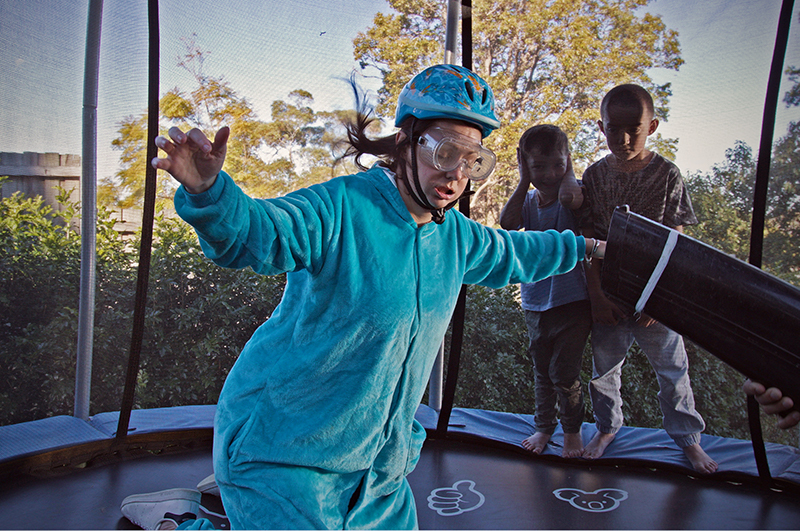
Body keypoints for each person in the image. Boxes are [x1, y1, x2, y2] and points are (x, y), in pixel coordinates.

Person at [119, 64, 606, 530]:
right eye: (444, 152)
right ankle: (181, 518)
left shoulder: (454, 236)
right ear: (405, 141)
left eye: (472, 160)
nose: (456, 174)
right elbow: (262, 232)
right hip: (285, 450)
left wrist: (590, 248)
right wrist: (210, 192)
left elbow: (517, 251)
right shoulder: (342, 209)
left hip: (378, 468)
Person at [579, 83, 718, 475]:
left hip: (657, 297)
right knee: (604, 372)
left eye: (633, 129)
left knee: (673, 371)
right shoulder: (594, 176)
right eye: (612, 128)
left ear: (652, 126)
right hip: (611, 293)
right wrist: (596, 297)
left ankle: (689, 439)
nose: (622, 139)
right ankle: (607, 429)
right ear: (600, 127)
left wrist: (660, 299)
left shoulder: (667, 174)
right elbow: (587, 241)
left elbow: (677, 243)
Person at [499, 125, 591, 458]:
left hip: (572, 302)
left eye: (557, 165)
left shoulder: (573, 193)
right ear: (525, 165)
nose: (549, 175)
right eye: (539, 167)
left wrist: (570, 167)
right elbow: (507, 223)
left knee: (564, 373)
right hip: (536, 301)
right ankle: (543, 427)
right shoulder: (529, 202)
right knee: (541, 370)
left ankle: (571, 431)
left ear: (567, 162)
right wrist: (524, 179)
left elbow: (568, 197)